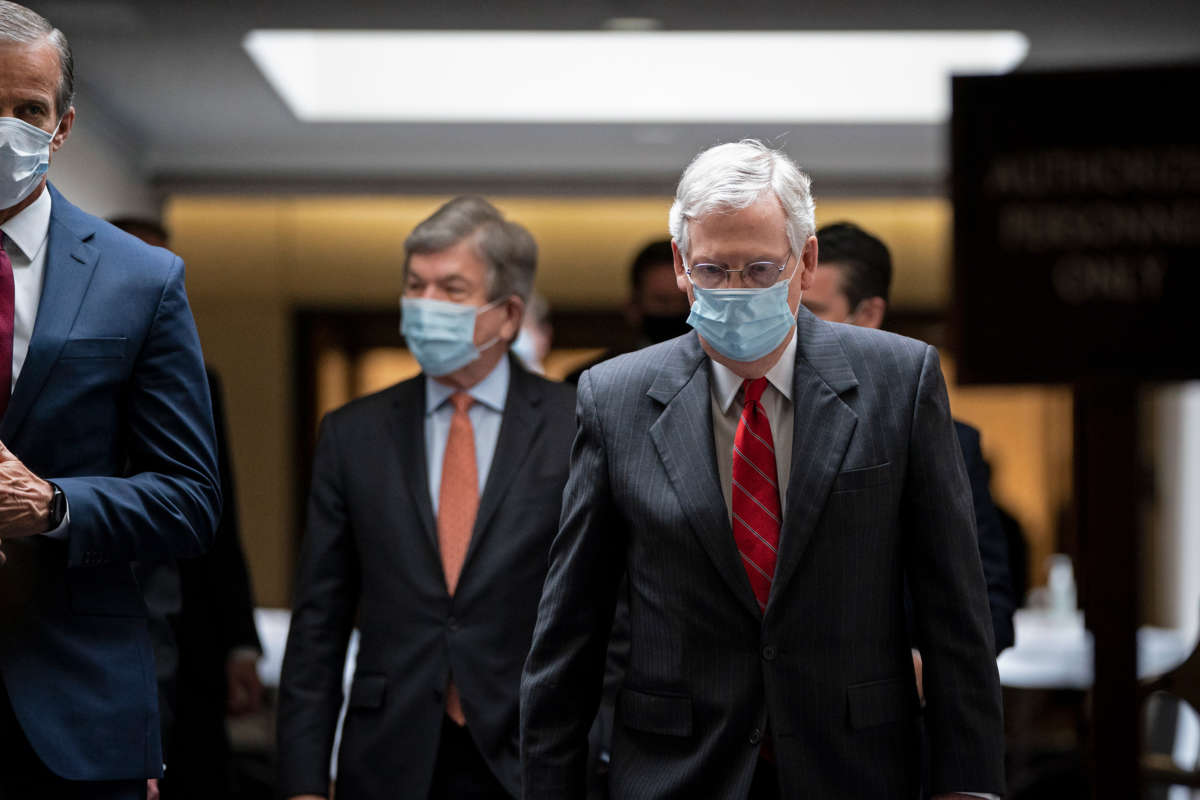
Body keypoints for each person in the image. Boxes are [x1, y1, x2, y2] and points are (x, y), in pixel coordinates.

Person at [521, 140, 1004, 799]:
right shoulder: (616, 398)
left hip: (856, 766)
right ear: (680, 265)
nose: (735, 291)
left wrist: (968, 787)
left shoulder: (899, 379)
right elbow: (570, 628)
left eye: (758, 270)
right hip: (676, 769)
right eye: (712, 271)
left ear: (805, 262)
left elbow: (956, 612)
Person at [278, 196, 576, 800]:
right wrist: (304, 780)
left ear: (508, 315)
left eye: (452, 289)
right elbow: (319, 622)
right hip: (389, 752)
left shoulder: (577, 427)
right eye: (415, 286)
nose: (425, 306)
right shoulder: (353, 433)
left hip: (535, 755)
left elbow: (612, 609)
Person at [0, 4, 221, 798]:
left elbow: (191, 500)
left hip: (76, 708)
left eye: (27, 110)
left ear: (59, 129)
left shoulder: (141, 278)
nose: (6, 129)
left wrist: (54, 505)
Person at [805, 220, 1016, 655]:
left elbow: (988, 603)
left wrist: (922, 670)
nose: (791, 329)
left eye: (811, 312)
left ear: (867, 316)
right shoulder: (752, 422)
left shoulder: (943, 441)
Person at [109, 216, 265, 799]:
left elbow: (222, 518)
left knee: (195, 771)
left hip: (189, 623)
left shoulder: (197, 379)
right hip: (93, 608)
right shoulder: (50, 363)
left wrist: (241, 642)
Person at [564, 239, 691, 384]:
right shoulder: (591, 382)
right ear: (633, 307)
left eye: (685, 301)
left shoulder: (719, 376)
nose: (675, 310)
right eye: (662, 301)